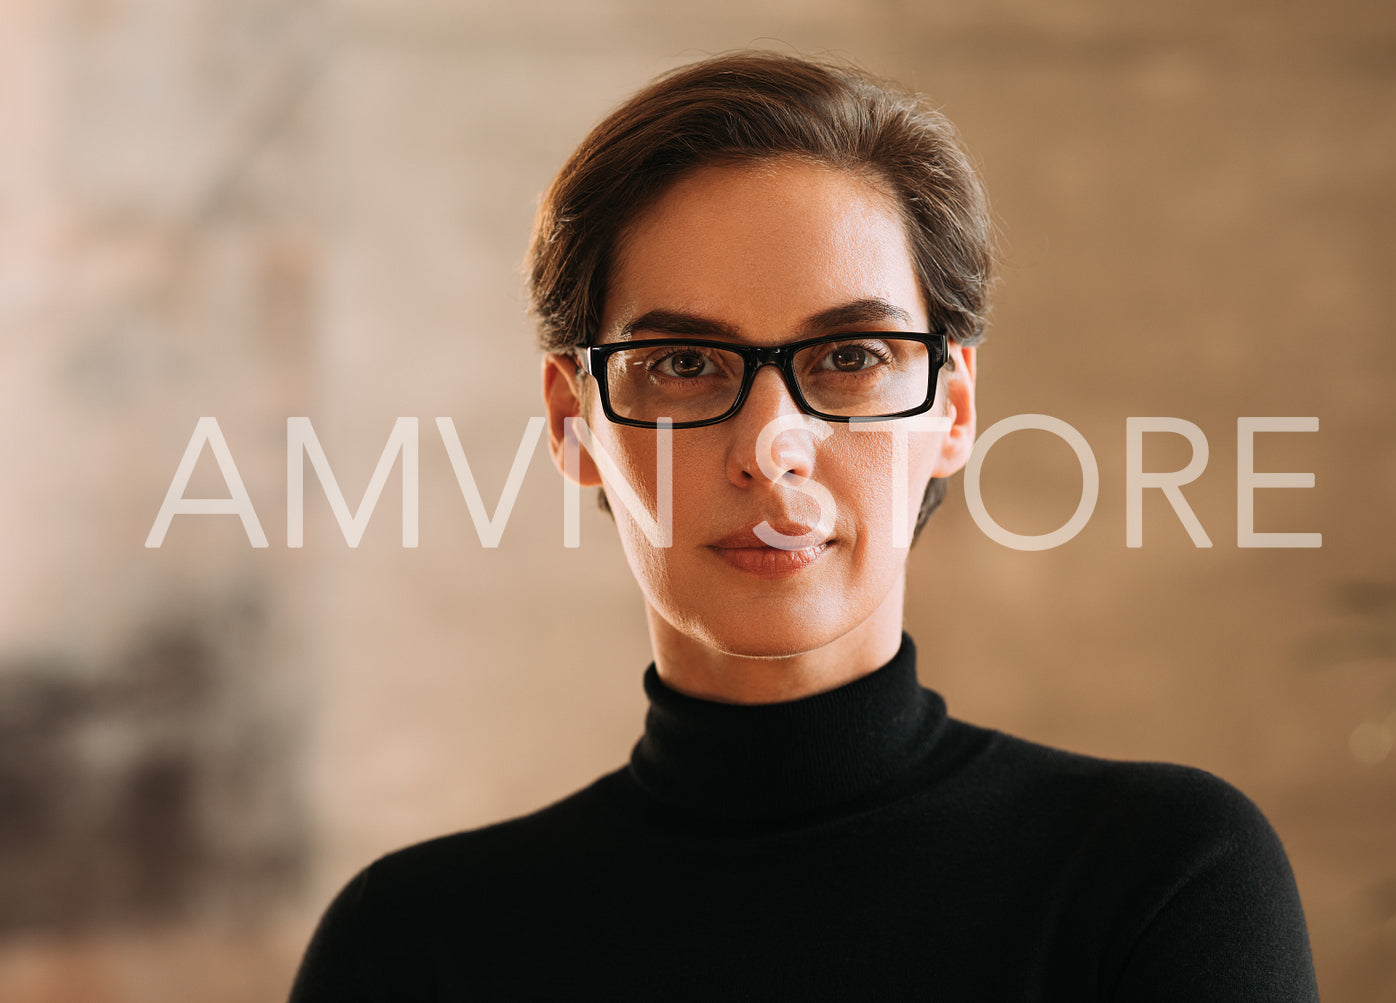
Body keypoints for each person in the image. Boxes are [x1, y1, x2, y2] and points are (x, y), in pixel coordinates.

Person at [289, 51, 1320, 1001]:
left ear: (951, 411)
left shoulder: (1161, 878)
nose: (768, 443)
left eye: (850, 357)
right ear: (573, 422)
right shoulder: (413, 946)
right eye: (685, 364)